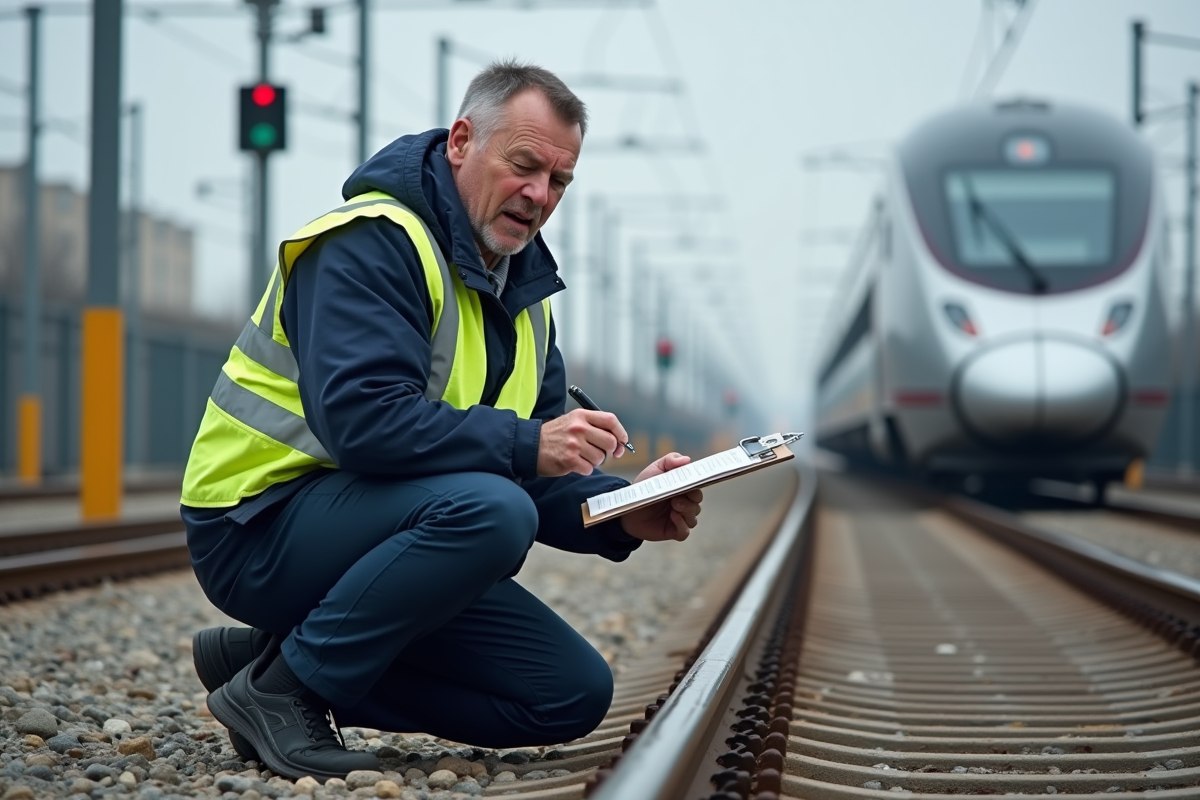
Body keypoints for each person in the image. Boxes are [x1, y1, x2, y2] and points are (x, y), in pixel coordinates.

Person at [180, 60, 704, 783]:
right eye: (525, 166)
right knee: (492, 511)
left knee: (569, 696)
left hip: (390, 529)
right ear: (462, 141)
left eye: (559, 182)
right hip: (258, 527)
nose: (539, 194)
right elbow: (363, 423)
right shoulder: (371, 242)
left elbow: (536, 463)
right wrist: (529, 444)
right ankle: (286, 692)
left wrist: (621, 511)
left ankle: (273, 660)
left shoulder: (526, 294)